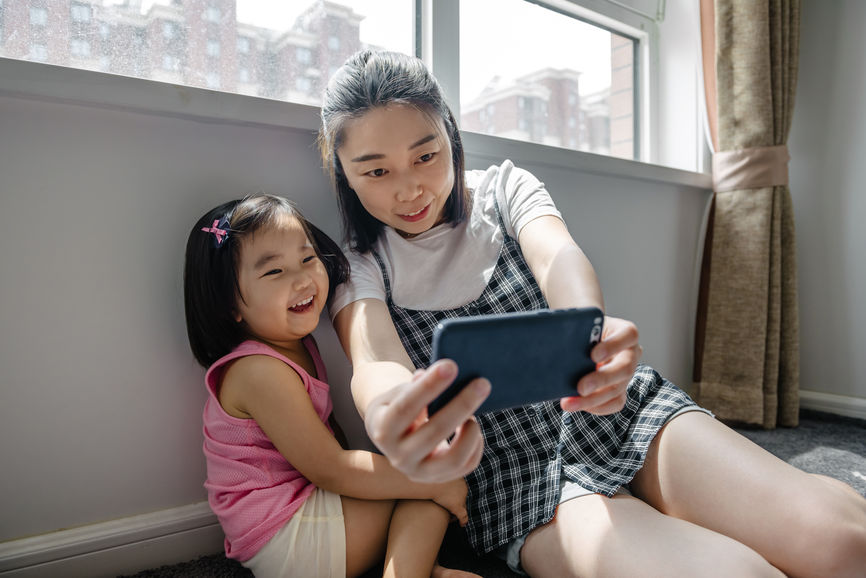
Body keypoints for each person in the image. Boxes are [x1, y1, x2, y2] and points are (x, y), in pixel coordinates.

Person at [319, 50, 866, 577]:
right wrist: (391, 414)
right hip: (513, 476)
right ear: (344, 173)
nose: (410, 187)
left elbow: (559, 258)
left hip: (608, 408)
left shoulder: (502, 189)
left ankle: (822, 497)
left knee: (842, 545)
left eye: (426, 155)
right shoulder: (360, 267)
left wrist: (590, 335)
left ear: (450, 134)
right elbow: (374, 363)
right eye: (375, 172)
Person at [183, 193, 480, 578]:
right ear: (230, 305)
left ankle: (422, 565)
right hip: (288, 536)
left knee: (416, 473)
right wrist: (430, 483)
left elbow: (329, 439)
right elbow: (330, 468)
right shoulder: (258, 370)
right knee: (431, 479)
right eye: (274, 272)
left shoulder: (296, 347)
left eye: (307, 259)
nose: (303, 278)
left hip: (296, 518)